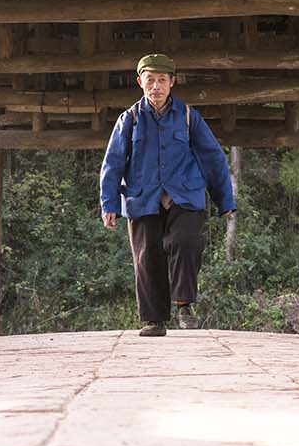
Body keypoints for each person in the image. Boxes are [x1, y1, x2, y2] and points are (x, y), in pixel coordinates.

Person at [99, 53, 236, 337]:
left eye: (162, 80)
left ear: (172, 82)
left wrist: (225, 200)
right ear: (140, 82)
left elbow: (213, 158)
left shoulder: (187, 116)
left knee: (186, 241)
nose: (156, 86)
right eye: (150, 80)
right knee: (147, 255)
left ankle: (184, 305)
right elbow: (112, 163)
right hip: (142, 196)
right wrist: (109, 204)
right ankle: (154, 320)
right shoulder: (130, 119)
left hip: (184, 194)